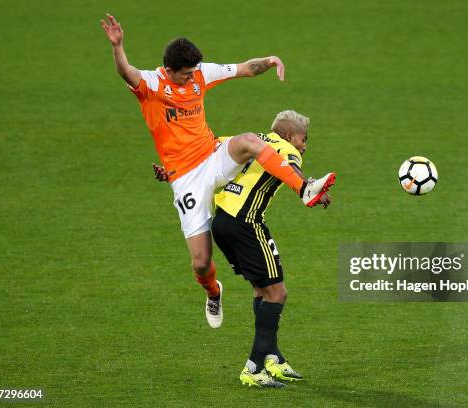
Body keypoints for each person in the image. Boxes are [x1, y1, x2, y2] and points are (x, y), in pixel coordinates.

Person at [100, 14, 336, 330]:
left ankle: (304, 188)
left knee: (250, 141)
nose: (191, 79)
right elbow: (125, 72)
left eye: (193, 73)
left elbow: (243, 68)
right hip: (186, 179)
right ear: (169, 71)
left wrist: (269, 60)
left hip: (213, 156)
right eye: (184, 75)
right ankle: (213, 292)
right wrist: (118, 47)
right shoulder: (153, 84)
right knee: (200, 263)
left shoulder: (200, 74)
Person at [154, 110, 330, 388]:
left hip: (222, 222)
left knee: (262, 290)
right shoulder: (285, 148)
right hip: (246, 223)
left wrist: (171, 173)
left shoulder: (240, 140)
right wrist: (308, 187)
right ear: (287, 135)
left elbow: (202, 158)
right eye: (303, 138)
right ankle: (253, 367)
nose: (304, 145)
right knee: (277, 293)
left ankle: (274, 358)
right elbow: (291, 168)